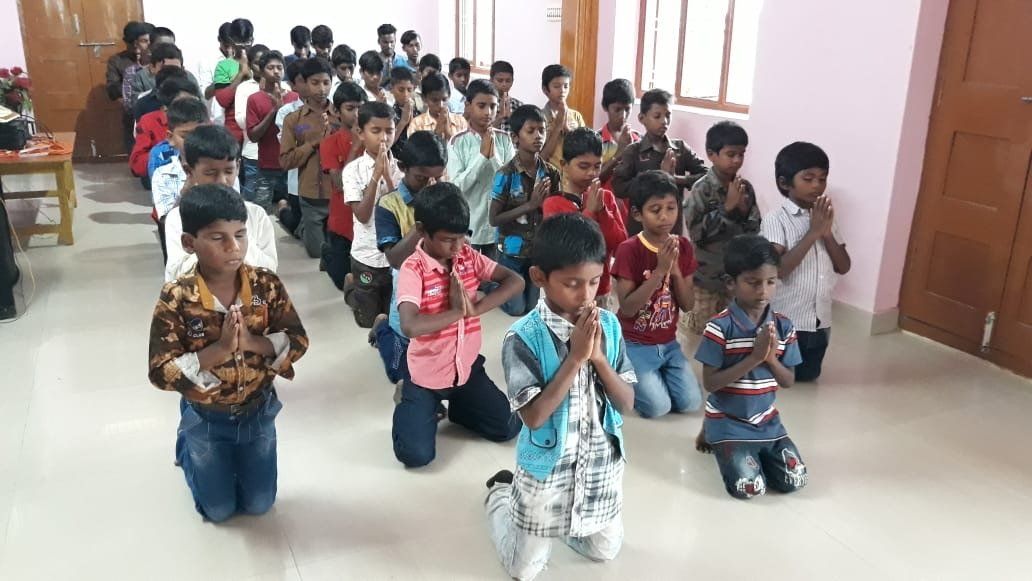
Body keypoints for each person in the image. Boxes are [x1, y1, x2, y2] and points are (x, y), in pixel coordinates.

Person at [485, 212, 636, 581]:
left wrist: (597, 356)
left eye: (595, 281)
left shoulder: (610, 326)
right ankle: (500, 496)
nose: (586, 295)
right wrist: (575, 357)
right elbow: (534, 418)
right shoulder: (522, 337)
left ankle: (570, 520)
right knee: (525, 571)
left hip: (599, 467)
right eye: (572, 283)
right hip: (546, 474)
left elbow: (626, 403)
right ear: (539, 277)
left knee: (605, 551)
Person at [148, 183, 308, 523]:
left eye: (240, 234)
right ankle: (187, 443)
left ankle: (230, 461)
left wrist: (252, 343)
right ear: (189, 243)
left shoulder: (266, 285)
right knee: (218, 511)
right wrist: (220, 349)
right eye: (218, 238)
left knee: (260, 504)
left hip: (257, 409)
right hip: (208, 414)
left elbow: (297, 339)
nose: (234, 247)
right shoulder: (177, 297)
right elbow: (160, 370)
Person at [392, 183, 524, 468]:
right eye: (448, 240)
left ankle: (460, 408)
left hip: (465, 371)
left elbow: (516, 281)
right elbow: (410, 326)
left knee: (508, 427)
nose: (457, 246)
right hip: (425, 377)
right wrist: (457, 312)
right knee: (415, 456)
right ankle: (407, 393)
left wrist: (476, 308)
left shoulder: (468, 256)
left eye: (462, 238)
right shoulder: (413, 269)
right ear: (422, 231)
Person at [694, 234, 807, 499]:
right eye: (753, 283)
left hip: (767, 421)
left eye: (771, 282)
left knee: (794, 481)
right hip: (729, 422)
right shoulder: (719, 328)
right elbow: (711, 384)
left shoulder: (784, 326)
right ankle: (714, 432)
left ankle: (757, 451)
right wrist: (754, 358)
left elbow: (788, 380)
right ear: (731, 283)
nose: (763, 291)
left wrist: (769, 358)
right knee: (748, 489)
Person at [611, 170, 702, 418]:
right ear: (638, 213)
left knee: (690, 403)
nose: (665, 216)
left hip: (669, 343)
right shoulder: (629, 250)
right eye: (655, 209)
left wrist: (675, 273)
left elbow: (688, 304)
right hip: (635, 343)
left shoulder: (682, 247)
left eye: (671, 208)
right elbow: (628, 308)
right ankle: (621, 366)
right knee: (658, 407)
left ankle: (655, 372)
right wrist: (660, 271)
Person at [761, 142, 850, 382]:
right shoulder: (775, 220)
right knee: (783, 376)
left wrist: (826, 231)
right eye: (808, 178)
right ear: (784, 183)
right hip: (788, 318)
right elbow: (777, 269)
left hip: (820, 320)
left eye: (822, 179)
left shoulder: (825, 218)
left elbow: (843, 266)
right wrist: (812, 233)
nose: (817, 186)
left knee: (809, 375)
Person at [372, 131, 448, 391]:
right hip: (407, 297)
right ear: (402, 168)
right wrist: (422, 222)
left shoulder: (446, 197)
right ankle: (383, 329)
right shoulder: (388, 205)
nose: (430, 185)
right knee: (400, 370)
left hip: (440, 294)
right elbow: (394, 258)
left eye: (436, 178)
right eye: (421, 178)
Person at [164, 125, 278, 282]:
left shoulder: (256, 214)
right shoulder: (177, 218)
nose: (222, 181)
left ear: (238, 167)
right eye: (210, 173)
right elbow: (175, 275)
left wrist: (240, 236)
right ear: (189, 171)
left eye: (229, 171)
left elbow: (270, 272)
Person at [683, 121, 760, 335]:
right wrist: (726, 209)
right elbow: (696, 233)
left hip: (735, 274)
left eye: (741, 154)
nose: (737, 160)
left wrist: (743, 212)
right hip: (706, 276)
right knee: (703, 329)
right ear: (711, 154)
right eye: (730, 154)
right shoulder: (701, 190)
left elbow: (754, 230)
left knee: (730, 327)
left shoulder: (745, 189)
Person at [489, 104, 561, 316]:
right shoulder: (506, 174)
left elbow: (556, 210)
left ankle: (508, 286)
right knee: (516, 309)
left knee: (531, 307)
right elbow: (494, 219)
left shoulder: (551, 173)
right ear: (515, 137)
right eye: (531, 131)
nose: (538, 136)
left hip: (536, 250)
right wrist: (529, 205)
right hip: (511, 250)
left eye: (542, 130)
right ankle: (491, 284)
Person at [542, 128, 627, 306]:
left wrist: (602, 210)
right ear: (564, 164)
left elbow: (619, 245)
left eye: (597, 166)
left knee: (599, 332)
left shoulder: (606, 198)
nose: (592, 173)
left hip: (600, 288)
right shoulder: (553, 204)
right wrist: (589, 212)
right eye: (583, 166)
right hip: (566, 292)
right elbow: (567, 252)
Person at [611, 88, 706, 237]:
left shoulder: (680, 148)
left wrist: (676, 179)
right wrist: (656, 177)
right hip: (640, 231)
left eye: (668, 115)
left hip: (671, 229)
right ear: (642, 118)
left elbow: (706, 175)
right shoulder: (633, 151)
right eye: (657, 116)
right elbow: (618, 187)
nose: (664, 121)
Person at [342, 102, 403, 327]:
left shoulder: (400, 169)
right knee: (367, 321)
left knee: (389, 317)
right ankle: (351, 287)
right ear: (361, 133)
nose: (384, 138)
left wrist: (388, 177)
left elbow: (400, 212)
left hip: (392, 256)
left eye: (389, 130)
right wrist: (376, 176)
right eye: (376, 131)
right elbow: (362, 215)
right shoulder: (353, 170)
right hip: (366, 257)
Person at [446, 79, 515, 259]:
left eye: (493, 106)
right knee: (470, 281)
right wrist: (481, 157)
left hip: (498, 229)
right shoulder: (457, 142)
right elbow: (457, 187)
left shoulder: (505, 140)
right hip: (469, 228)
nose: (488, 112)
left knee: (497, 281)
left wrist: (493, 158)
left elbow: (512, 182)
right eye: (481, 106)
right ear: (468, 106)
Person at [280, 57, 336, 260]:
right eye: (315, 83)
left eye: (326, 82)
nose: (321, 89)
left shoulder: (340, 115)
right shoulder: (294, 120)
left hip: (338, 195)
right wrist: (314, 144)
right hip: (310, 196)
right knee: (316, 252)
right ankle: (296, 223)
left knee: (337, 250)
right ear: (304, 83)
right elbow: (285, 161)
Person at [321, 82, 368, 289]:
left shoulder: (374, 138)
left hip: (366, 222)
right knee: (341, 281)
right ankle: (327, 253)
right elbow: (339, 184)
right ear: (337, 112)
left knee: (366, 282)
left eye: (361, 107)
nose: (357, 114)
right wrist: (356, 147)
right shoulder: (330, 143)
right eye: (350, 109)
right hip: (342, 222)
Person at [150, 98, 209, 263]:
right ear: (170, 138)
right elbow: (166, 222)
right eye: (186, 136)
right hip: (180, 254)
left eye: (199, 134)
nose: (194, 142)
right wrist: (186, 189)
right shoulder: (163, 175)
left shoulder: (221, 170)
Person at [247, 50, 299, 212]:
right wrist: (274, 111)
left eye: (279, 67)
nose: (276, 71)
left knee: (294, 208)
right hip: (267, 164)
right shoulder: (255, 99)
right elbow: (253, 135)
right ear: (261, 71)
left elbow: (305, 128)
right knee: (261, 210)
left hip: (292, 164)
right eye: (271, 67)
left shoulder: (295, 97)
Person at [130, 69, 201, 185]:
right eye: (183, 103)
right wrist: (168, 154)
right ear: (166, 105)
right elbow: (137, 165)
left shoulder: (202, 119)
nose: (190, 108)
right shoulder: (148, 121)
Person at [107, 21, 153, 151]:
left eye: (143, 41)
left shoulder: (156, 59)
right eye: (133, 42)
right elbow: (113, 90)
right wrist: (134, 107)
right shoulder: (118, 61)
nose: (137, 46)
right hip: (132, 111)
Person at [275, 58, 308, 236]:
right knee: (297, 227)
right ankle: (282, 209)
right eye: (303, 80)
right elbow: (289, 145)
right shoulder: (286, 112)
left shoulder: (330, 108)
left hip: (324, 181)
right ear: (292, 85)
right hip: (298, 179)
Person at [234, 44, 271, 204]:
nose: (262, 67)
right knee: (251, 199)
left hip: (278, 153)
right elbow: (242, 121)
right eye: (257, 63)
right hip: (252, 152)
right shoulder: (244, 88)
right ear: (249, 65)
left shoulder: (284, 87)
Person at [597, 79, 639, 208]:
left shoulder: (639, 140)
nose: (623, 115)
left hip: (631, 209)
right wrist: (620, 153)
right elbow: (594, 178)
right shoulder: (596, 140)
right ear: (605, 107)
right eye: (617, 109)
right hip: (604, 208)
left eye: (627, 109)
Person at [125, 42, 198, 114]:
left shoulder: (192, 98)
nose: (170, 73)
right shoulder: (143, 103)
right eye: (165, 69)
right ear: (152, 68)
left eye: (175, 69)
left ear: (182, 68)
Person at [538, 64, 585, 170]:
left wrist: (569, 131)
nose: (562, 90)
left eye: (566, 86)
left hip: (574, 178)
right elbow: (540, 158)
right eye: (556, 86)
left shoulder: (576, 116)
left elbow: (585, 152)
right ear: (545, 89)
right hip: (550, 178)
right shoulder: (539, 118)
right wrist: (558, 126)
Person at [407, 72, 467, 141]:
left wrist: (448, 132)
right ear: (424, 98)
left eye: (444, 99)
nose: (441, 105)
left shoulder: (461, 122)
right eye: (435, 100)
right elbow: (417, 151)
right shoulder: (417, 124)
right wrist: (437, 131)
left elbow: (464, 150)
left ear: (449, 96)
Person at [389, 67, 419, 158]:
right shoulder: (388, 115)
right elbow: (387, 143)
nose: (406, 94)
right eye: (401, 90)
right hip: (395, 163)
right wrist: (403, 122)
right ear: (391, 89)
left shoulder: (419, 114)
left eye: (409, 90)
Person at [489, 61, 523, 133]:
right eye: (500, 80)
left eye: (508, 81)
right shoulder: (485, 105)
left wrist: (512, 118)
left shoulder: (519, 106)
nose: (504, 84)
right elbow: (481, 135)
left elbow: (522, 134)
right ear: (491, 80)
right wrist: (500, 116)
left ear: (512, 81)